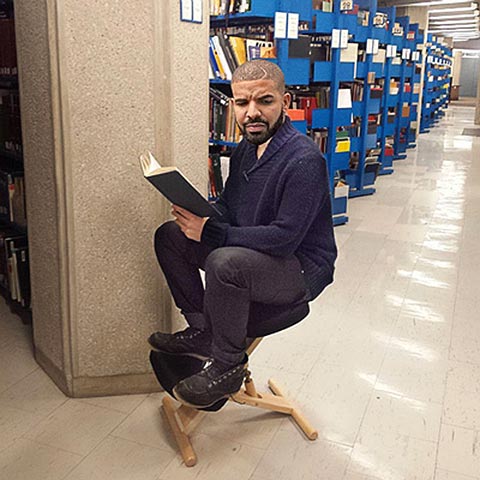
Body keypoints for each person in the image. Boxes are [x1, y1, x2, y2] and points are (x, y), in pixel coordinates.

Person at [149, 59, 337, 408]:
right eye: (241, 102)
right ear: (232, 103)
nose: (252, 113)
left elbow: (284, 239)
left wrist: (211, 233)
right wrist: (198, 211)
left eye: (264, 101)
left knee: (225, 261)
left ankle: (227, 365)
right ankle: (202, 330)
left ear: (285, 100)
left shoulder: (304, 160)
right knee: (170, 236)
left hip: (297, 267)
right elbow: (230, 208)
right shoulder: (244, 152)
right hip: (255, 254)